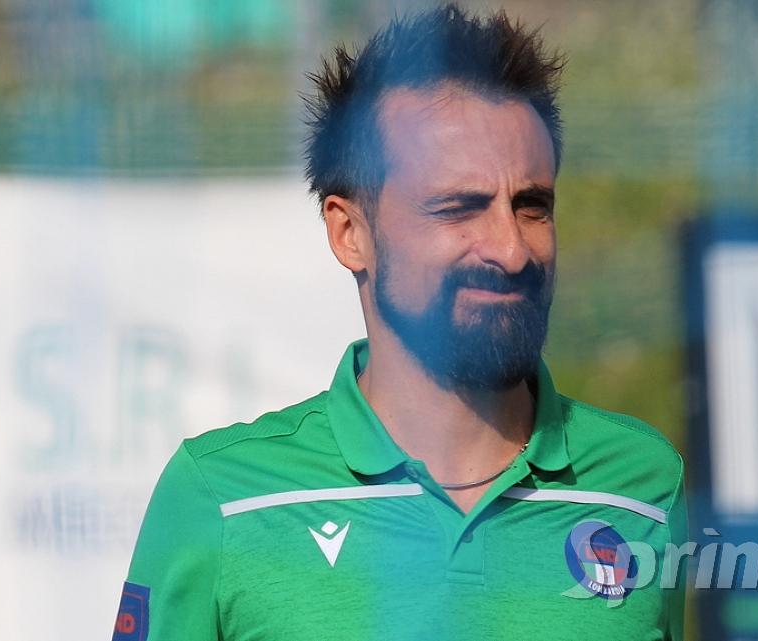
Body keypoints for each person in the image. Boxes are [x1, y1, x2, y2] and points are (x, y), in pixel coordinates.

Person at [113, 5, 687, 640]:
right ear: (350, 233)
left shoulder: (642, 485)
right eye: (458, 208)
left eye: (532, 206)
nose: (511, 249)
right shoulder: (222, 497)